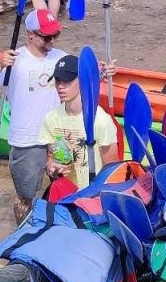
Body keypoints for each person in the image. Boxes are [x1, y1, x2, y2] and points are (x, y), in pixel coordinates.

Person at [0, 9, 66, 222]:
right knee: (25, 197)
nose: (52, 40)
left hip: (57, 138)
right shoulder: (15, 61)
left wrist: (100, 73)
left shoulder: (61, 58)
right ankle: (23, 232)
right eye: (46, 36)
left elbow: (80, 83)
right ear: (30, 34)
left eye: (55, 35)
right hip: (27, 141)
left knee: (62, 188)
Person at [38, 55, 119, 189]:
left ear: (82, 81)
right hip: (66, 194)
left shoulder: (101, 120)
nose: (61, 87)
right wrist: (52, 168)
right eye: (58, 81)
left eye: (67, 81)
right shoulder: (50, 118)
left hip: (93, 195)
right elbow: (51, 156)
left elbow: (112, 170)